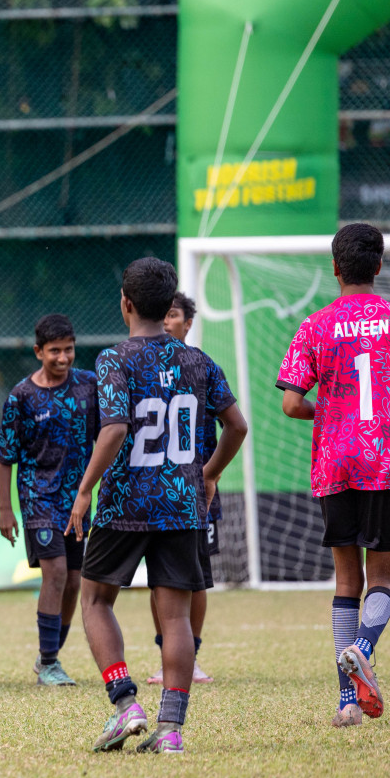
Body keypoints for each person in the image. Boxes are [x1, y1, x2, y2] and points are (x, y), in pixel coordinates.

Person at [69, 257, 247, 754]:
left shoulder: (113, 359)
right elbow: (237, 427)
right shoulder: (199, 362)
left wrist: (85, 490)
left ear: (125, 304)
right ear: (169, 306)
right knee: (175, 619)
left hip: (125, 502)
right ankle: (170, 730)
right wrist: (208, 474)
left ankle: (126, 702)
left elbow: (116, 428)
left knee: (96, 600)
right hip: (182, 504)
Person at [277, 223, 390, 727]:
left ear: (334, 267)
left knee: (346, 580)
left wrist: (332, 413)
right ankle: (364, 648)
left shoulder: (315, 326)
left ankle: (347, 702)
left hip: (337, 460)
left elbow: (290, 403)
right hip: (388, 458)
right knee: (383, 581)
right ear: (379, 265)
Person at [0, 313, 97, 688]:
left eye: (69, 350)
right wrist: (6, 509)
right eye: (55, 351)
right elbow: (5, 455)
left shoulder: (90, 386)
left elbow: (109, 435)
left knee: (73, 581)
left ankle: (48, 658)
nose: (63, 357)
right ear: (39, 351)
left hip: (79, 501)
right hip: (39, 499)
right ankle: (52, 663)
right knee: (54, 574)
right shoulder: (22, 396)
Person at [147, 291, 221, 685]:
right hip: (155, 488)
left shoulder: (203, 367)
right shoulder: (143, 365)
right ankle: (167, 656)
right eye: (163, 314)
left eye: (173, 315)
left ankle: (190, 655)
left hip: (198, 489)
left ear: (188, 323)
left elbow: (232, 426)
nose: (167, 322)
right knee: (160, 577)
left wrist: (212, 473)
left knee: (197, 576)